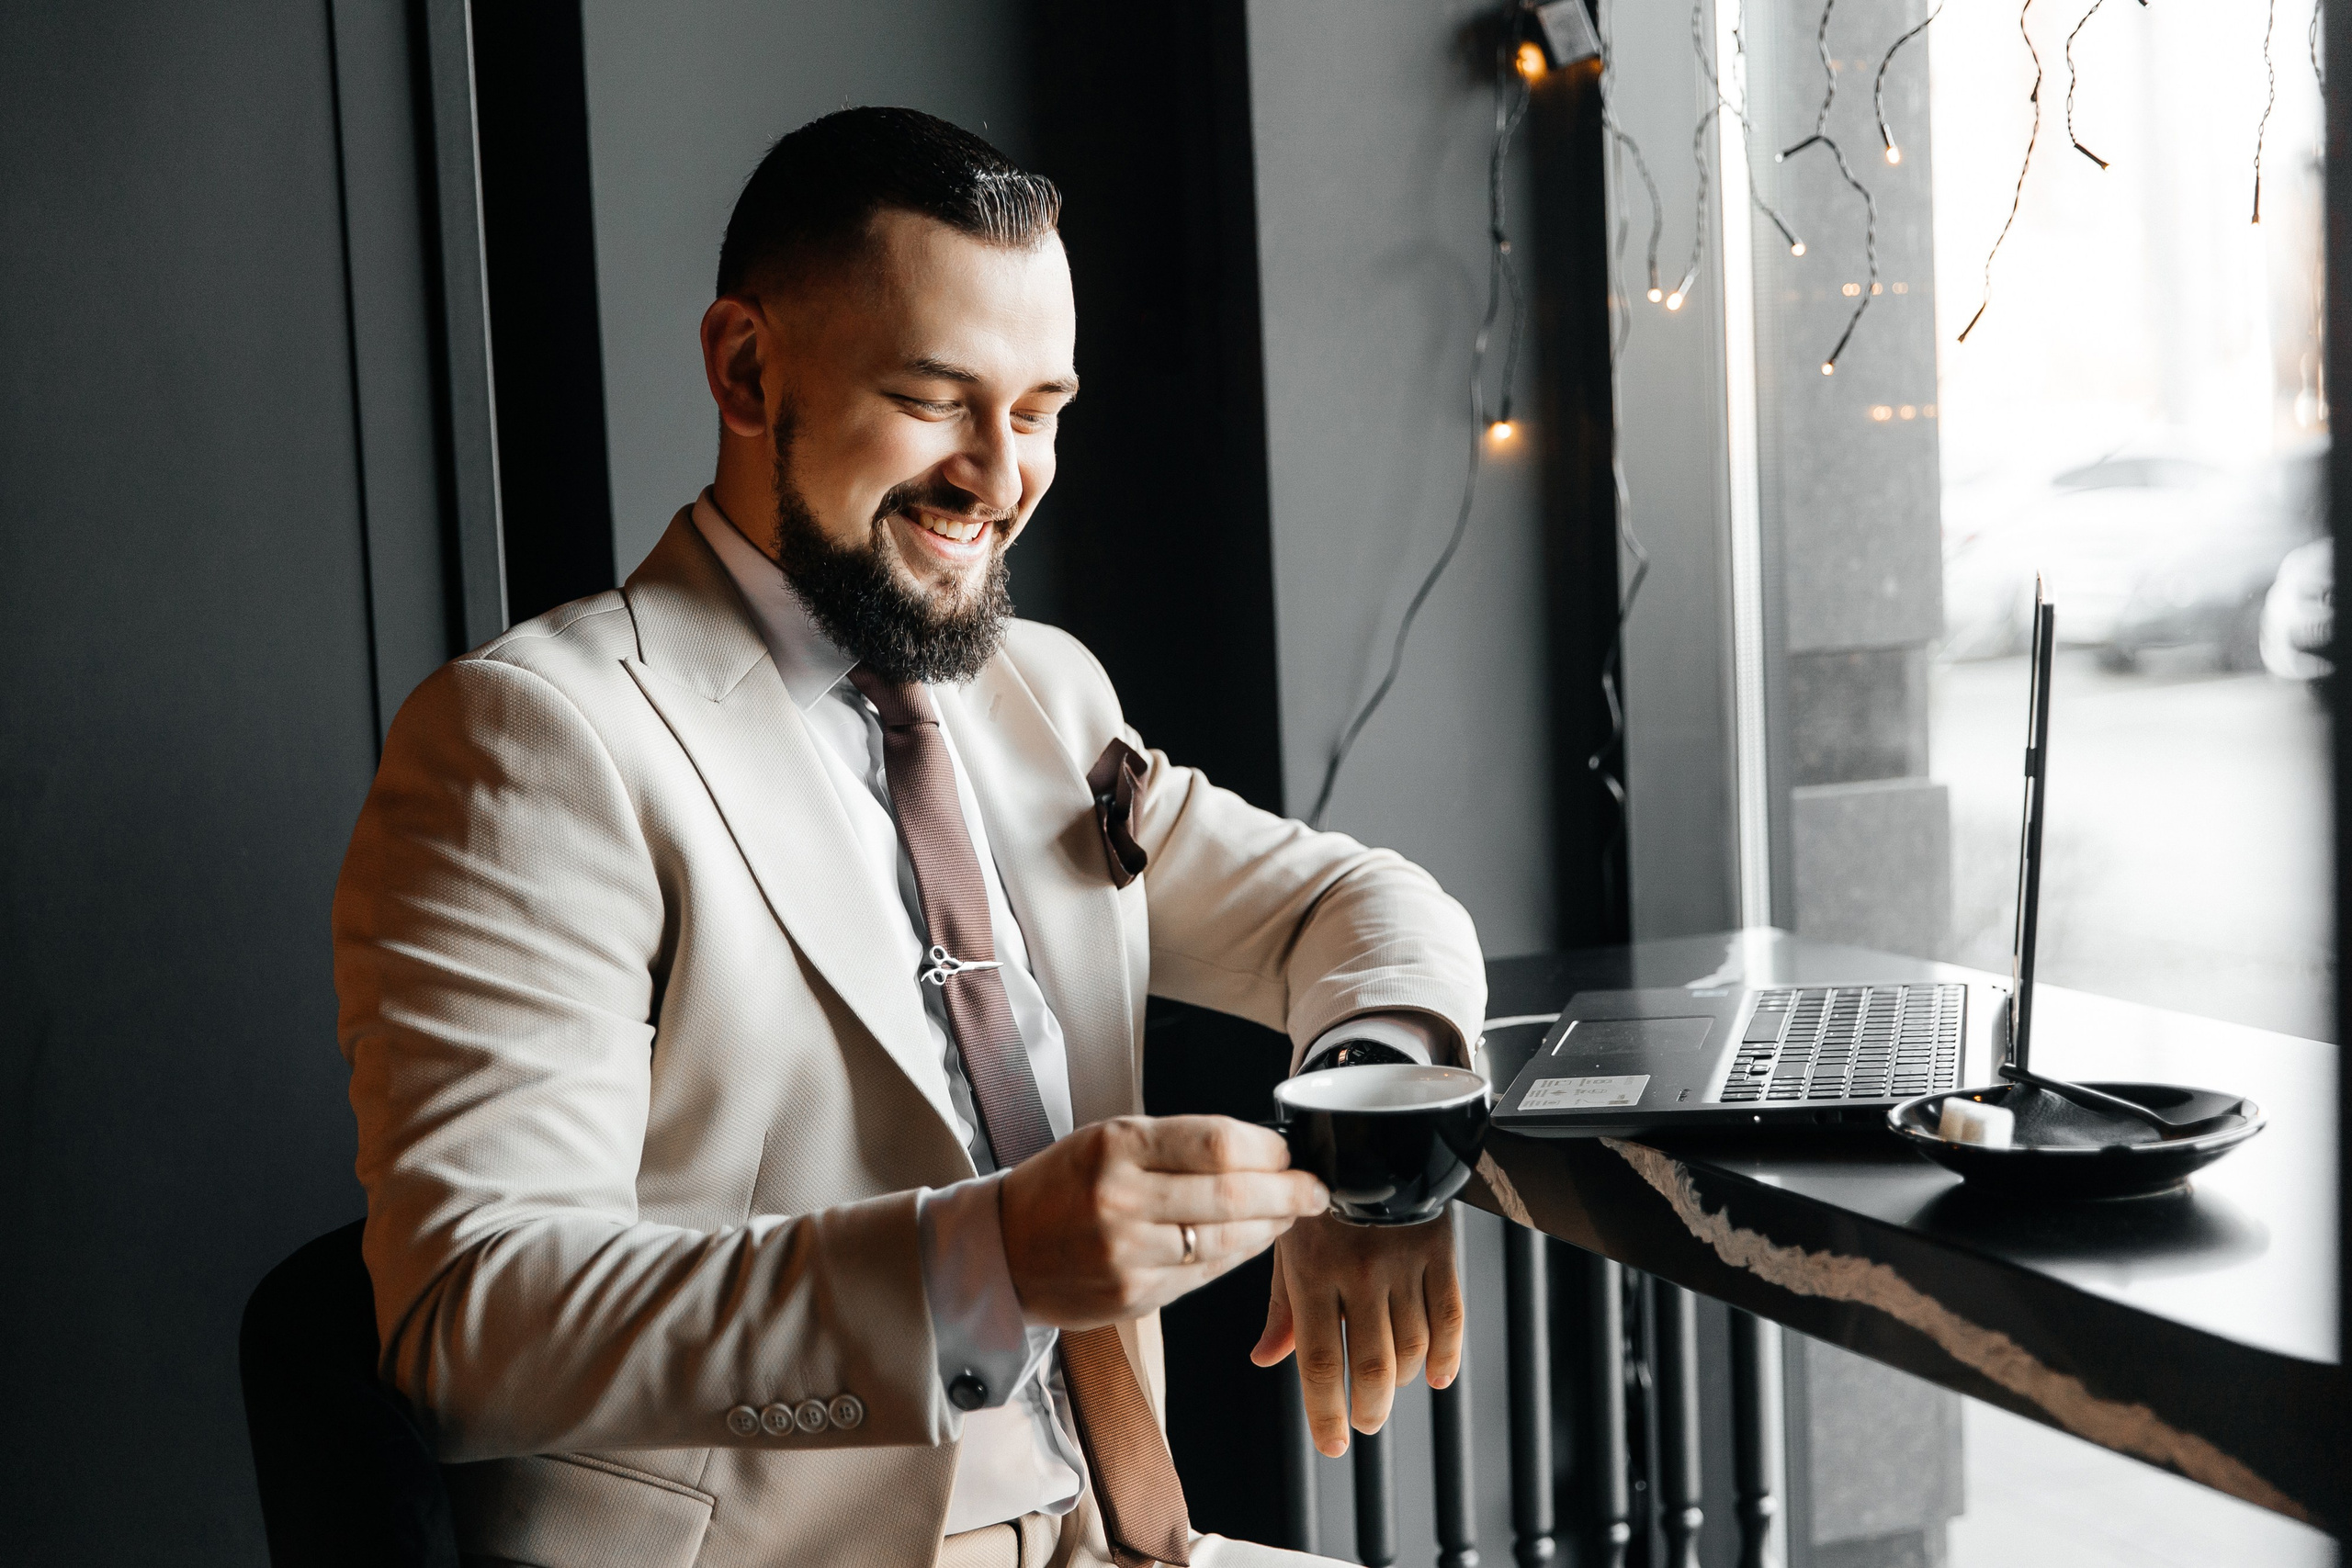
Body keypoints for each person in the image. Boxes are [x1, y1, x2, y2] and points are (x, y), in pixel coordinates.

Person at [334, 106, 1486, 1568]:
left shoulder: (1040, 693)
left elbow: (1356, 905)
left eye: (1041, 409)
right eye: (941, 399)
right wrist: (984, 1262)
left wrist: (1375, 1131)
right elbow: (474, 1326)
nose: (1001, 476)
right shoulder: (536, 740)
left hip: (1128, 1543)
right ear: (747, 370)